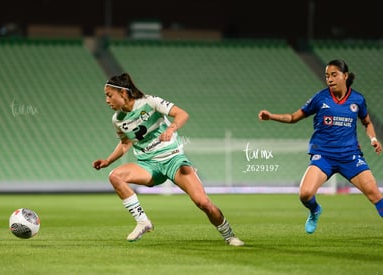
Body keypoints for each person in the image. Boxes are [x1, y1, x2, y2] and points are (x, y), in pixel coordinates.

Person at [92, 72, 244, 246]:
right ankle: (143, 222)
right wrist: (107, 161)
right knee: (115, 175)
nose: (107, 100)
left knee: (203, 203)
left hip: (173, 160)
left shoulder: (150, 102)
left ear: (124, 93)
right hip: (148, 165)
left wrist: (171, 129)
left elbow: (182, 114)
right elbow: (126, 143)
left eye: (109, 95)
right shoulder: (118, 120)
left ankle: (229, 236)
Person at [258, 59, 383, 234]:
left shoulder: (357, 100)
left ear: (345, 76)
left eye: (334, 75)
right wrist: (271, 116)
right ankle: (315, 210)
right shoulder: (320, 98)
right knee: (305, 194)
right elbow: (294, 117)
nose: (330, 79)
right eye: (327, 76)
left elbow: (367, 123)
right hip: (324, 156)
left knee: (375, 194)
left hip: (350, 156)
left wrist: (373, 139)